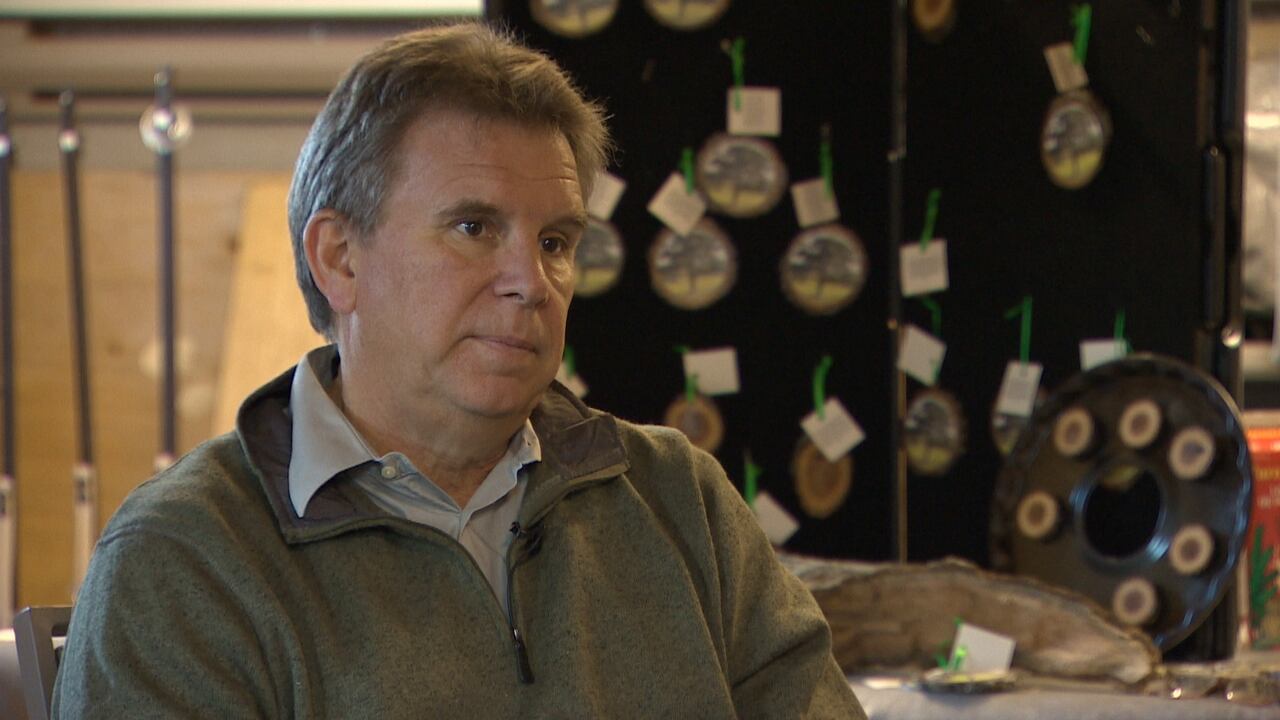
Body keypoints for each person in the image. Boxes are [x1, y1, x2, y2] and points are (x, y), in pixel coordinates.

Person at [52, 22, 866, 719]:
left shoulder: (679, 501)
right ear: (339, 259)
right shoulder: (184, 560)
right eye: (474, 227)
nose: (531, 281)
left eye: (555, 242)